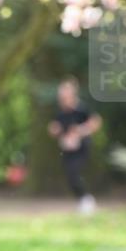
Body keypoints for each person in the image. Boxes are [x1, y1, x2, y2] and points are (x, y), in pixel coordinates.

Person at [47, 77, 101, 215]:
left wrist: (80, 131)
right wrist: (55, 130)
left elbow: (95, 122)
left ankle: (87, 200)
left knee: (74, 173)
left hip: (81, 146)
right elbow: (56, 127)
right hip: (67, 148)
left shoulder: (82, 108)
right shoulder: (60, 112)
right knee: (69, 175)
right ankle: (83, 200)